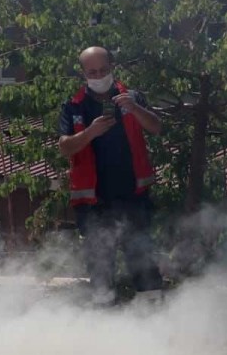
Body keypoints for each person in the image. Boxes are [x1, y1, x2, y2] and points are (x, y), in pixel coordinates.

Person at [58, 46, 165, 302]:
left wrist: (135, 109)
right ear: (83, 73)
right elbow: (64, 147)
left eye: (103, 70)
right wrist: (90, 133)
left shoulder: (132, 97)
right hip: (94, 203)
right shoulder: (73, 106)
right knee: (100, 266)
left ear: (112, 67)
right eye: (92, 71)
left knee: (143, 259)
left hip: (133, 196)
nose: (98, 75)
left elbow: (157, 128)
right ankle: (103, 323)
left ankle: (154, 319)